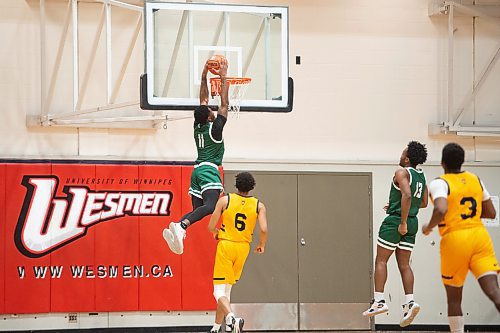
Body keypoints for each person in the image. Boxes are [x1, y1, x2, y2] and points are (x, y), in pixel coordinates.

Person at [422, 143, 499, 333]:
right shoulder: (475, 179)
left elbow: (441, 208)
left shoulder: (439, 182)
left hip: (455, 239)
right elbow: (491, 212)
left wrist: (428, 227)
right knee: (494, 292)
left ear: (442, 163)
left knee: (454, 298)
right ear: (462, 161)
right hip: (480, 237)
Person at [163, 57, 229, 255]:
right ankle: (181, 225)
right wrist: (223, 77)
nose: (212, 109)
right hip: (209, 170)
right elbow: (224, 103)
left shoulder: (198, 125)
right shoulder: (215, 129)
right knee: (210, 207)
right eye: (210, 110)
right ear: (209, 116)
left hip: (196, 172)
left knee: (198, 210)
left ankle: (180, 228)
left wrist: (204, 76)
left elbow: (203, 101)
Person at [363, 141, 428, 327]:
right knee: (405, 265)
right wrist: (396, 206)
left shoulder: (401, 173)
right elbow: (423, 202)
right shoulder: (421, 176)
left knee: (381, 260)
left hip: (397, 222)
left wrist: (401, 221)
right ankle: (409, 302)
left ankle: (379, 301)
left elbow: (406, 195)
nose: (400, 156)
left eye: (402, 153)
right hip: (413, 220)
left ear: (407, 158)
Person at [207, 172, 268, 333]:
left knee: (217, 291)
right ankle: (216, 327)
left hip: (226, 245)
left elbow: (211, 226)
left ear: (236, 185)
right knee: (226, 291)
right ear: (251, 187)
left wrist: (215, 232)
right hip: (243, 248)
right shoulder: (258, 205)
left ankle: (232, 318)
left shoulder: (225, 200)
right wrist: (262, 244)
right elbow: (263, 228)